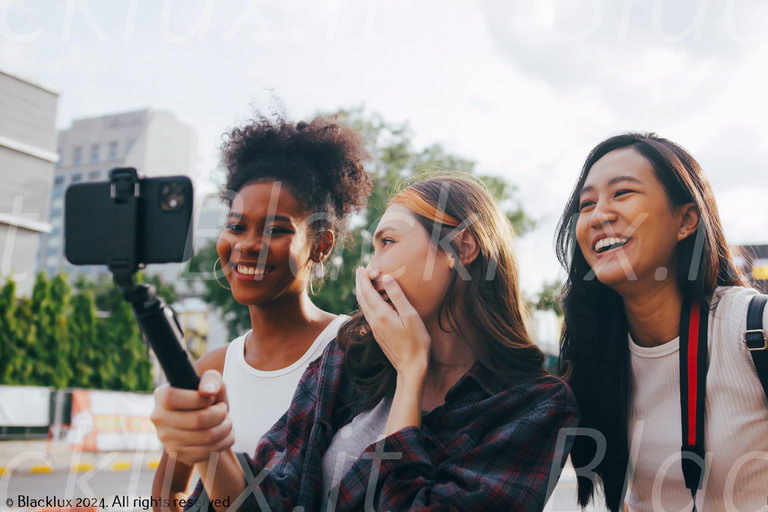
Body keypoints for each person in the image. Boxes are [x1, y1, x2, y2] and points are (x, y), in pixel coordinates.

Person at [151, 175, 579, 511]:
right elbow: (267, 498)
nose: (371, 271)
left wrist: (412, 374)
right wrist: (209, 448)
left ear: (461, 247)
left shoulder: (536, 406)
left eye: (387, 243)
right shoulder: (347, 360)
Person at [150, 113, 372, 511]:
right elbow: (167, 494)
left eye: (276, 230)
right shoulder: (210, 370)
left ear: (320, 246)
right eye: (236, 226)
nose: (247, 245)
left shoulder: (355, 352)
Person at [556, 133, 768, 512]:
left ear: (685, 219)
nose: (599, 214)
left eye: (622, 193)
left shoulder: (752, 329)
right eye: (587, 203)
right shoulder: (591, 354)